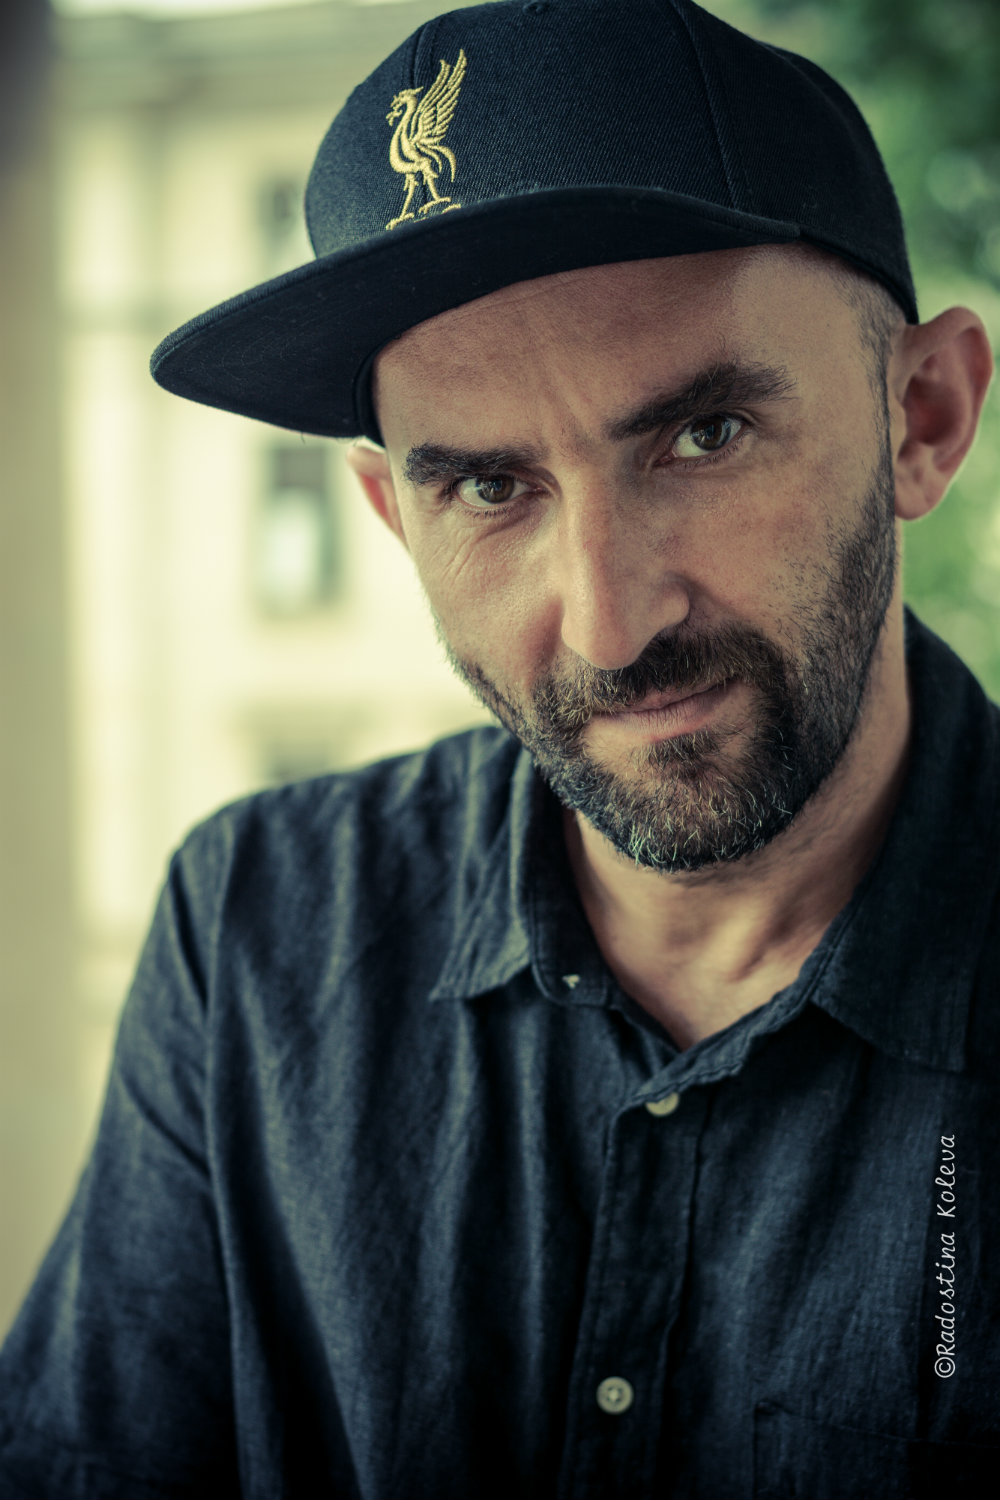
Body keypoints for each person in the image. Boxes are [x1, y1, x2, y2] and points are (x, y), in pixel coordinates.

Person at [1, 0, 998, 1495]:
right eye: (487, 489)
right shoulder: (256, 930)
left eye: (705, 437)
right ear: (395, 519)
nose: (607, 623)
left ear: (923, 417)